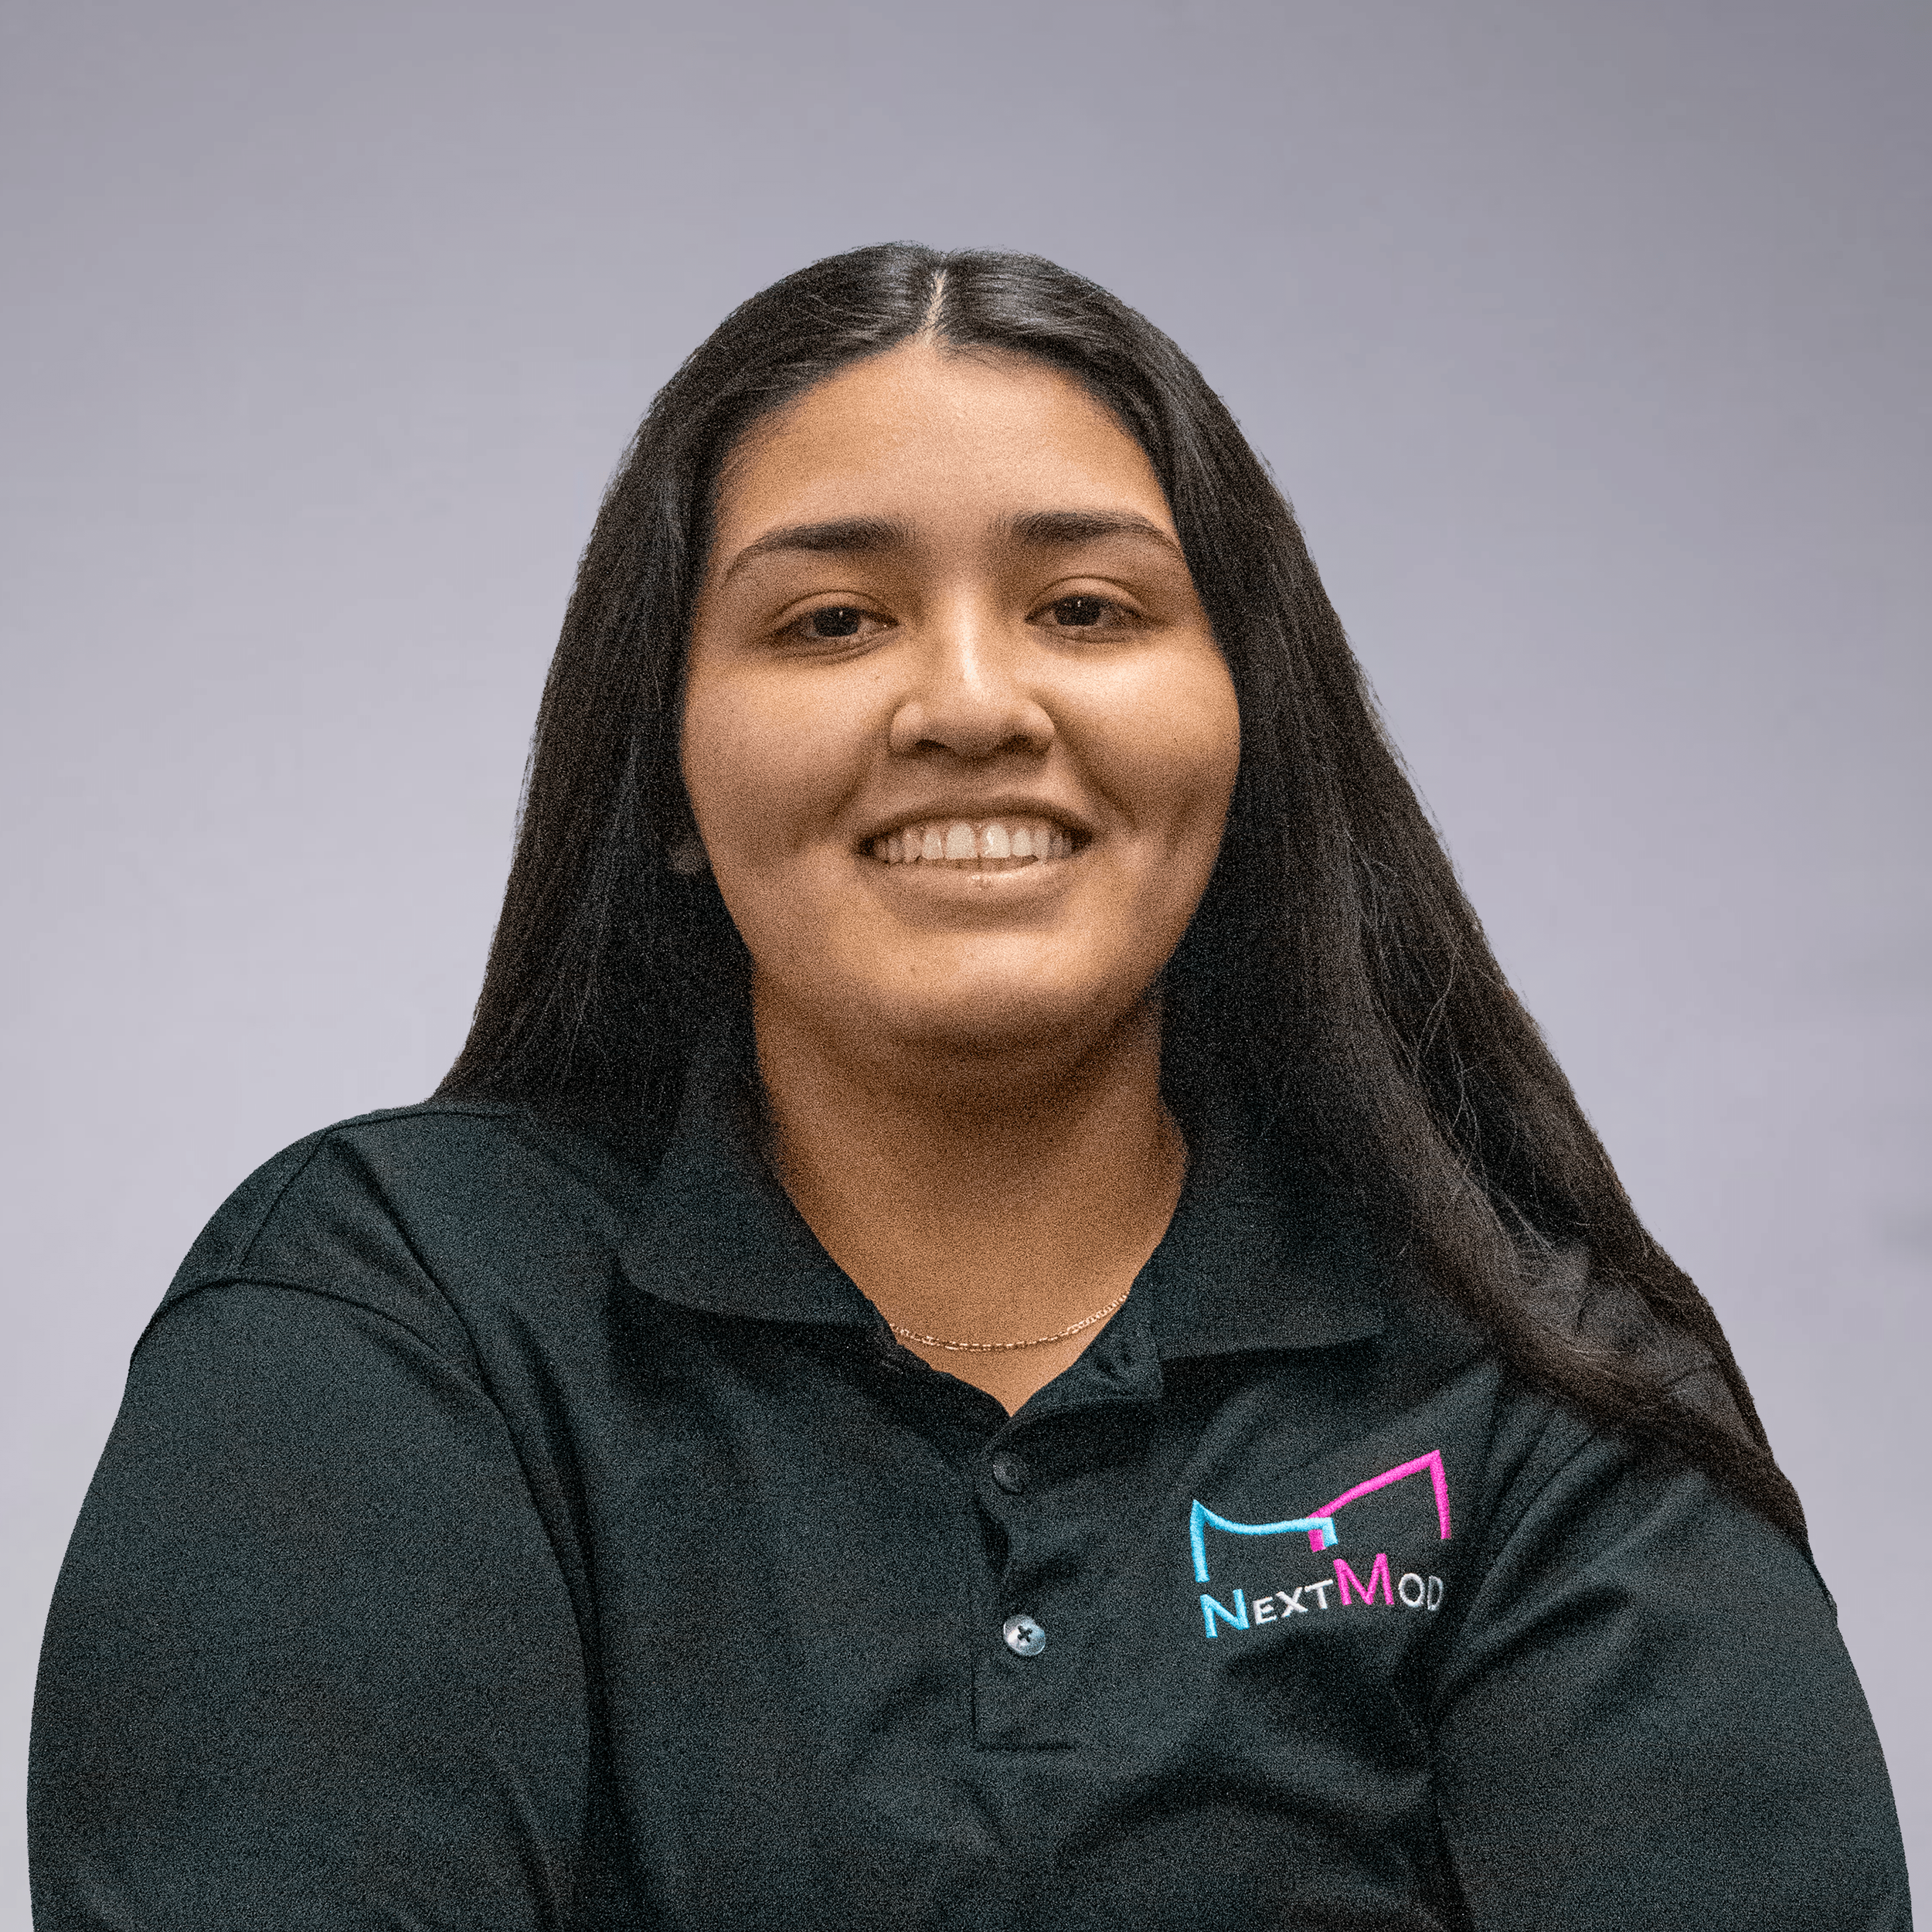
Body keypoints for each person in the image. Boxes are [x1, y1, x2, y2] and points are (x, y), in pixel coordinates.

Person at [29, 243, 1910, 1930]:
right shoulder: (393, 1316)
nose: (967, 700)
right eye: (829, 620)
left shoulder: (1537, 1399)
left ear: (1247, 732)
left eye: (1084, 608)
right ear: (668, 776)